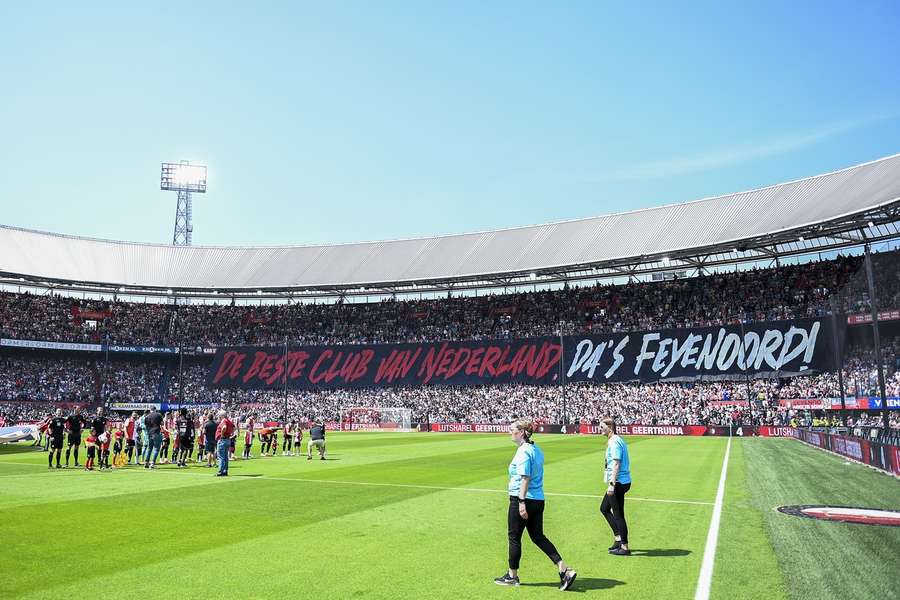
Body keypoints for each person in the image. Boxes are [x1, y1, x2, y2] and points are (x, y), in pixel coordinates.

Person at [494, 418, 576, 591]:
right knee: (538, 536)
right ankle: (563, 569)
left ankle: (512, 576)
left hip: (523, 499)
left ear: (522, 432)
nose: (510, 432)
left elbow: (525, 477)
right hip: (538, 499)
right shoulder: (536, 449)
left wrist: (521, 501)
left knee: (514, 537)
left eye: (512, 429)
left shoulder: (524, 452)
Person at [599, 417, 632, 556]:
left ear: (610, 427)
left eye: (602, 427)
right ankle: (618, 539)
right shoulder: (615, 440)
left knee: (618, 515)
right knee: (604, 508)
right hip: (620, 481)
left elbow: (616, 463)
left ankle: (624, 546)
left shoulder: (614, 441)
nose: (600, 429)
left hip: (618, 482)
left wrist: (612, 484)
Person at [215, 410, 236, 477]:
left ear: (221, 415)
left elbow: (224, 427)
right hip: (227, 439)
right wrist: (230, 433)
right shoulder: (229, 421)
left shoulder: (224, 421)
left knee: (221, 456)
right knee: (225, 456)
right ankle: (225, 470)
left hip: (222, 440)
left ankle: (221, 471)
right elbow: (234, 427)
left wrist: (222, 434)